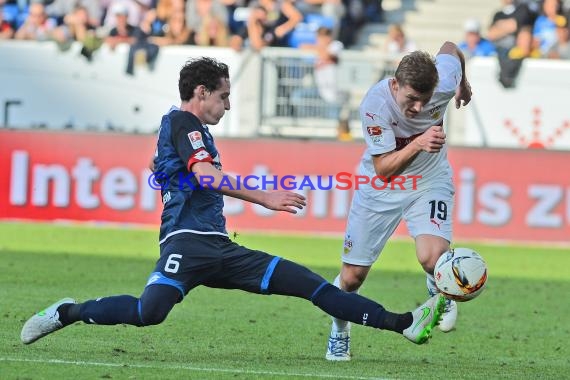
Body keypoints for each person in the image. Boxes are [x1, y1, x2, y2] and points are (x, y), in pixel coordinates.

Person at [21, 57, 445, 356]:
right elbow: (205, 178)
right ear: (201, 93)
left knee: (314, 288)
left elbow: (175, 167)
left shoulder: (190, 131)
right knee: (147, 313)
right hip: (186, 245)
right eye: (223, 96)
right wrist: (267, 198)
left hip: (219, 249)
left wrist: (166, 170)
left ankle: (405, 323)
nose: (228, 104)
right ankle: (67, 312)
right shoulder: (183, 121)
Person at [325, 42, 472, 361]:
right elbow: (384, 169)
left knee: (434, 259)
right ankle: (340, 331)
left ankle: (439, 290)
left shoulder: (444, 82)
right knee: (351, 277)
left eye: (425, 99)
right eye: (410, 99)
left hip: (429, 181)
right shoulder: (375, 105)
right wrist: (419, 143)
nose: (418, 108)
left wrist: (463, 83)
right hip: (380, 186)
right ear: (395, 85)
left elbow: (450, 47)